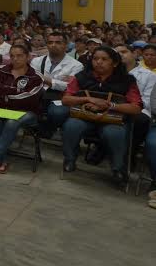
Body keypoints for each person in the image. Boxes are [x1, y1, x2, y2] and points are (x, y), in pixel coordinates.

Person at [61, 46, 143, 185]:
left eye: (104, 59)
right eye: (95, 58)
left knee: (114, 133)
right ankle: (70, 160)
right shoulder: (81, 77)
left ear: (115, 63)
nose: (98, 62)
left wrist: (109, 105)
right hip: (85, 116)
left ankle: (118, 168)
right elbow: (66, 100)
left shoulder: (126, 80)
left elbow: (136, 108)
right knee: (71, 125)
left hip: (113, 120)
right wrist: (87, 99)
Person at [0, 44, 44, 173]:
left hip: (28, 112)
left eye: (19, 56)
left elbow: (29, 98)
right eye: (12, 56)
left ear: (28, 57)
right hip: (2, 109)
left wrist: (6, 93)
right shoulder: (0, 70)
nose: (15, 59)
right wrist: (16, 90)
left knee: (12, 122)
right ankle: (2, 159)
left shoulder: (36, 76)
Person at [30, 31, 83, 133]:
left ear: (66, 45)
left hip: (60, 97)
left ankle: (51, 129)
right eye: (50, 42)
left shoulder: (77, 65)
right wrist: (58, 82)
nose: (53, 45)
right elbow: (32, 79)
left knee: (57, 113)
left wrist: (45, 79)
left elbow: (69, 87)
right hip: (38, 94)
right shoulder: (37, 61)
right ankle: (39, 129)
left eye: (58, 42)